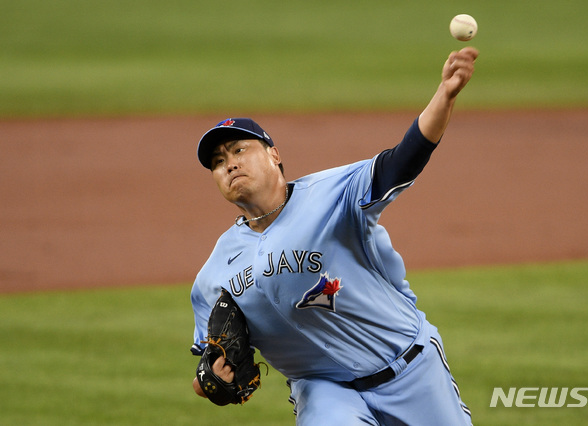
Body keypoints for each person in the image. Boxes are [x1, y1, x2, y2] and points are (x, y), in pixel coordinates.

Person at [189, 47, 478, 425]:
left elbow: (402, 161)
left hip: (409, 369)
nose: (230, 164)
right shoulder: (214, 273)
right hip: (323, 390)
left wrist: (445, 94)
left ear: (274, 155)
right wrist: (210, 380)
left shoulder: (332, 193)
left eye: (239, 150)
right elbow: (208, 363)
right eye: (218, 162)